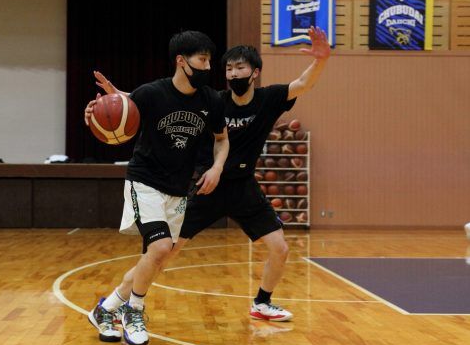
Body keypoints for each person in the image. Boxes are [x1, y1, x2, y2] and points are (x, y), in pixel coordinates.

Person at [98, 26, 330, 324]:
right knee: (163, 254)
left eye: (240, 68)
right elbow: (155, 100)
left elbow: (303, 83)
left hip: (243, 187)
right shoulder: (214, 101)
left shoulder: (269, 99)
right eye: (229, 69)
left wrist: (321, 59)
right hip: (205, 186)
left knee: (280, 248)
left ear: (255, 72)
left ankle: (262, 303)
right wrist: (118, 97)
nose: (233, 74)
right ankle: (118, 302)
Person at [84, 30, 229, 345]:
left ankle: (106, 309)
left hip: (178, 188)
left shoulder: (211, 100)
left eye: (209, 61)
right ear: (181, 61)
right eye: (202, 60)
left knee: (158, 257)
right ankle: (133, 311)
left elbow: (221, 139)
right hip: (144, 181)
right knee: (161, 247)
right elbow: (120, 111)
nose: (208, 67)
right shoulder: (152, 93)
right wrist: (97, 113)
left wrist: (217, 167)